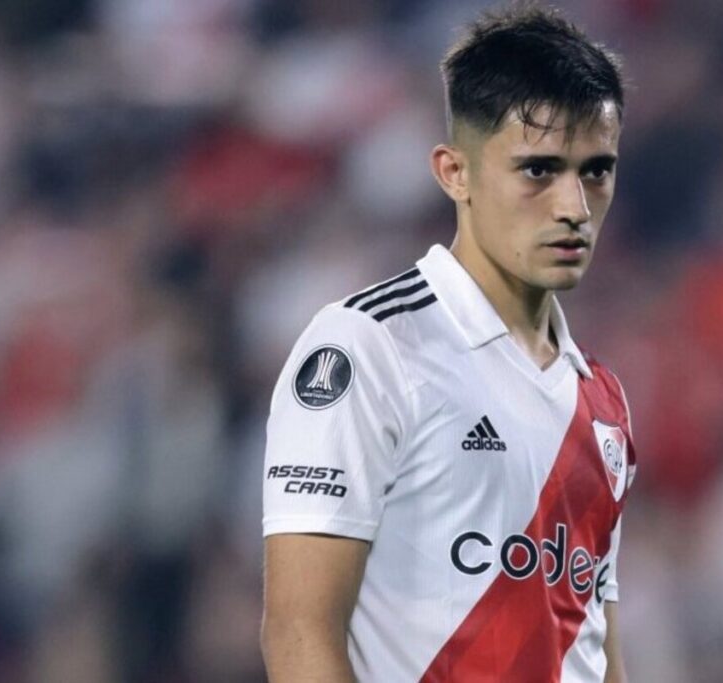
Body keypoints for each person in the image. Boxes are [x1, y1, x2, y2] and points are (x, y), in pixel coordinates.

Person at [259, 6, 637, 683]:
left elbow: (591, 644)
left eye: (596, 171)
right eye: (538, 170)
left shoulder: (603, 398)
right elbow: (298, 630)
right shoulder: (367, 347)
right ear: (454, 172)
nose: (574, 207)